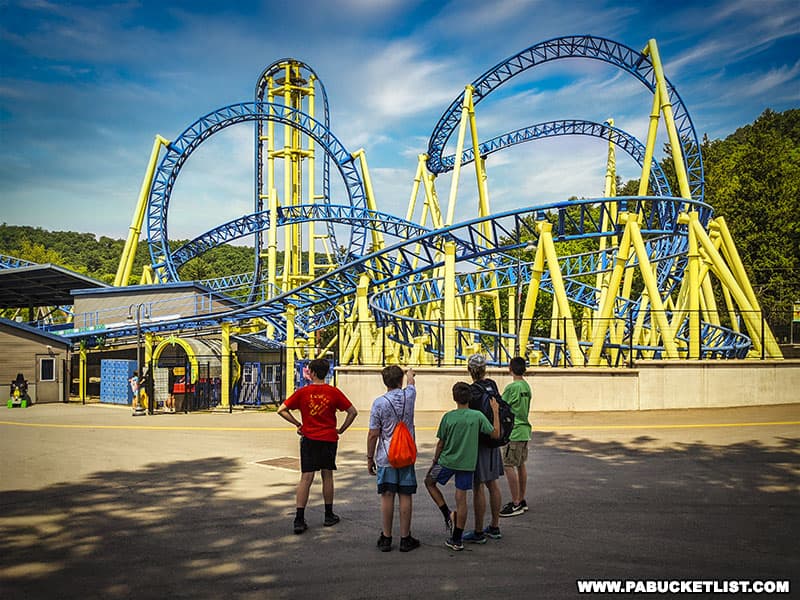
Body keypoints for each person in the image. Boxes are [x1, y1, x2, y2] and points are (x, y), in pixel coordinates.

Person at [277, 358, 358, 534]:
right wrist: (341, 429)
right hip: (329, 438)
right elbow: (353, 412)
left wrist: (298, 424)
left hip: (309, 438)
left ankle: (299, 518)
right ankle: (328, 514)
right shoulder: (334, 392)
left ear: (312, 373)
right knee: (327, 475)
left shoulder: (303, 392)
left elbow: (281, 409)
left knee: (306, 478)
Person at [425, 382, 499, 551]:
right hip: (467, 464)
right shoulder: (477, 416)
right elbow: (495, 433)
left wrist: (435, 461)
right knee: (462, 500)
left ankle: (447, 513)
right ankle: (457, 538)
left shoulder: (448, 417)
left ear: (454, 398)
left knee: (429, 482)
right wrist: (495, 411)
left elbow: (440, 443)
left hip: (446, 461)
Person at [367, 366, 420, 553]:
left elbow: (374, 434)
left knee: (387, 495)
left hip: (386, 456)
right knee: (405, 495)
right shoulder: (410, 396)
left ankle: (386, 537)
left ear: (384, 382)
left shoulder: (379, 403)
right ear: (400, 381)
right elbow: (411, 384)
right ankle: (405, 538)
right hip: (406, 454)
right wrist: (410, 373)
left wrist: (369, 458)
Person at [463, 353, 504, 543]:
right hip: (494, 439)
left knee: (478, 486)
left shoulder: (471, 391)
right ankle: (494, 526)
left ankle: (478, 531)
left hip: (478, 442)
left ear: (470, 370)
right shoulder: (492, 386)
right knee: (493, 484)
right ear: (485, 369)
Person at [499, 356, 532, 517]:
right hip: (525, 429)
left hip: (514, 430)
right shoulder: (526, 386)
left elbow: (501, 405)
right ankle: (521, 498)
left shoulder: (512, 388)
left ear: (510, 369)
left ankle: (515, 502)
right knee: (520, 464)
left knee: (508, 465)